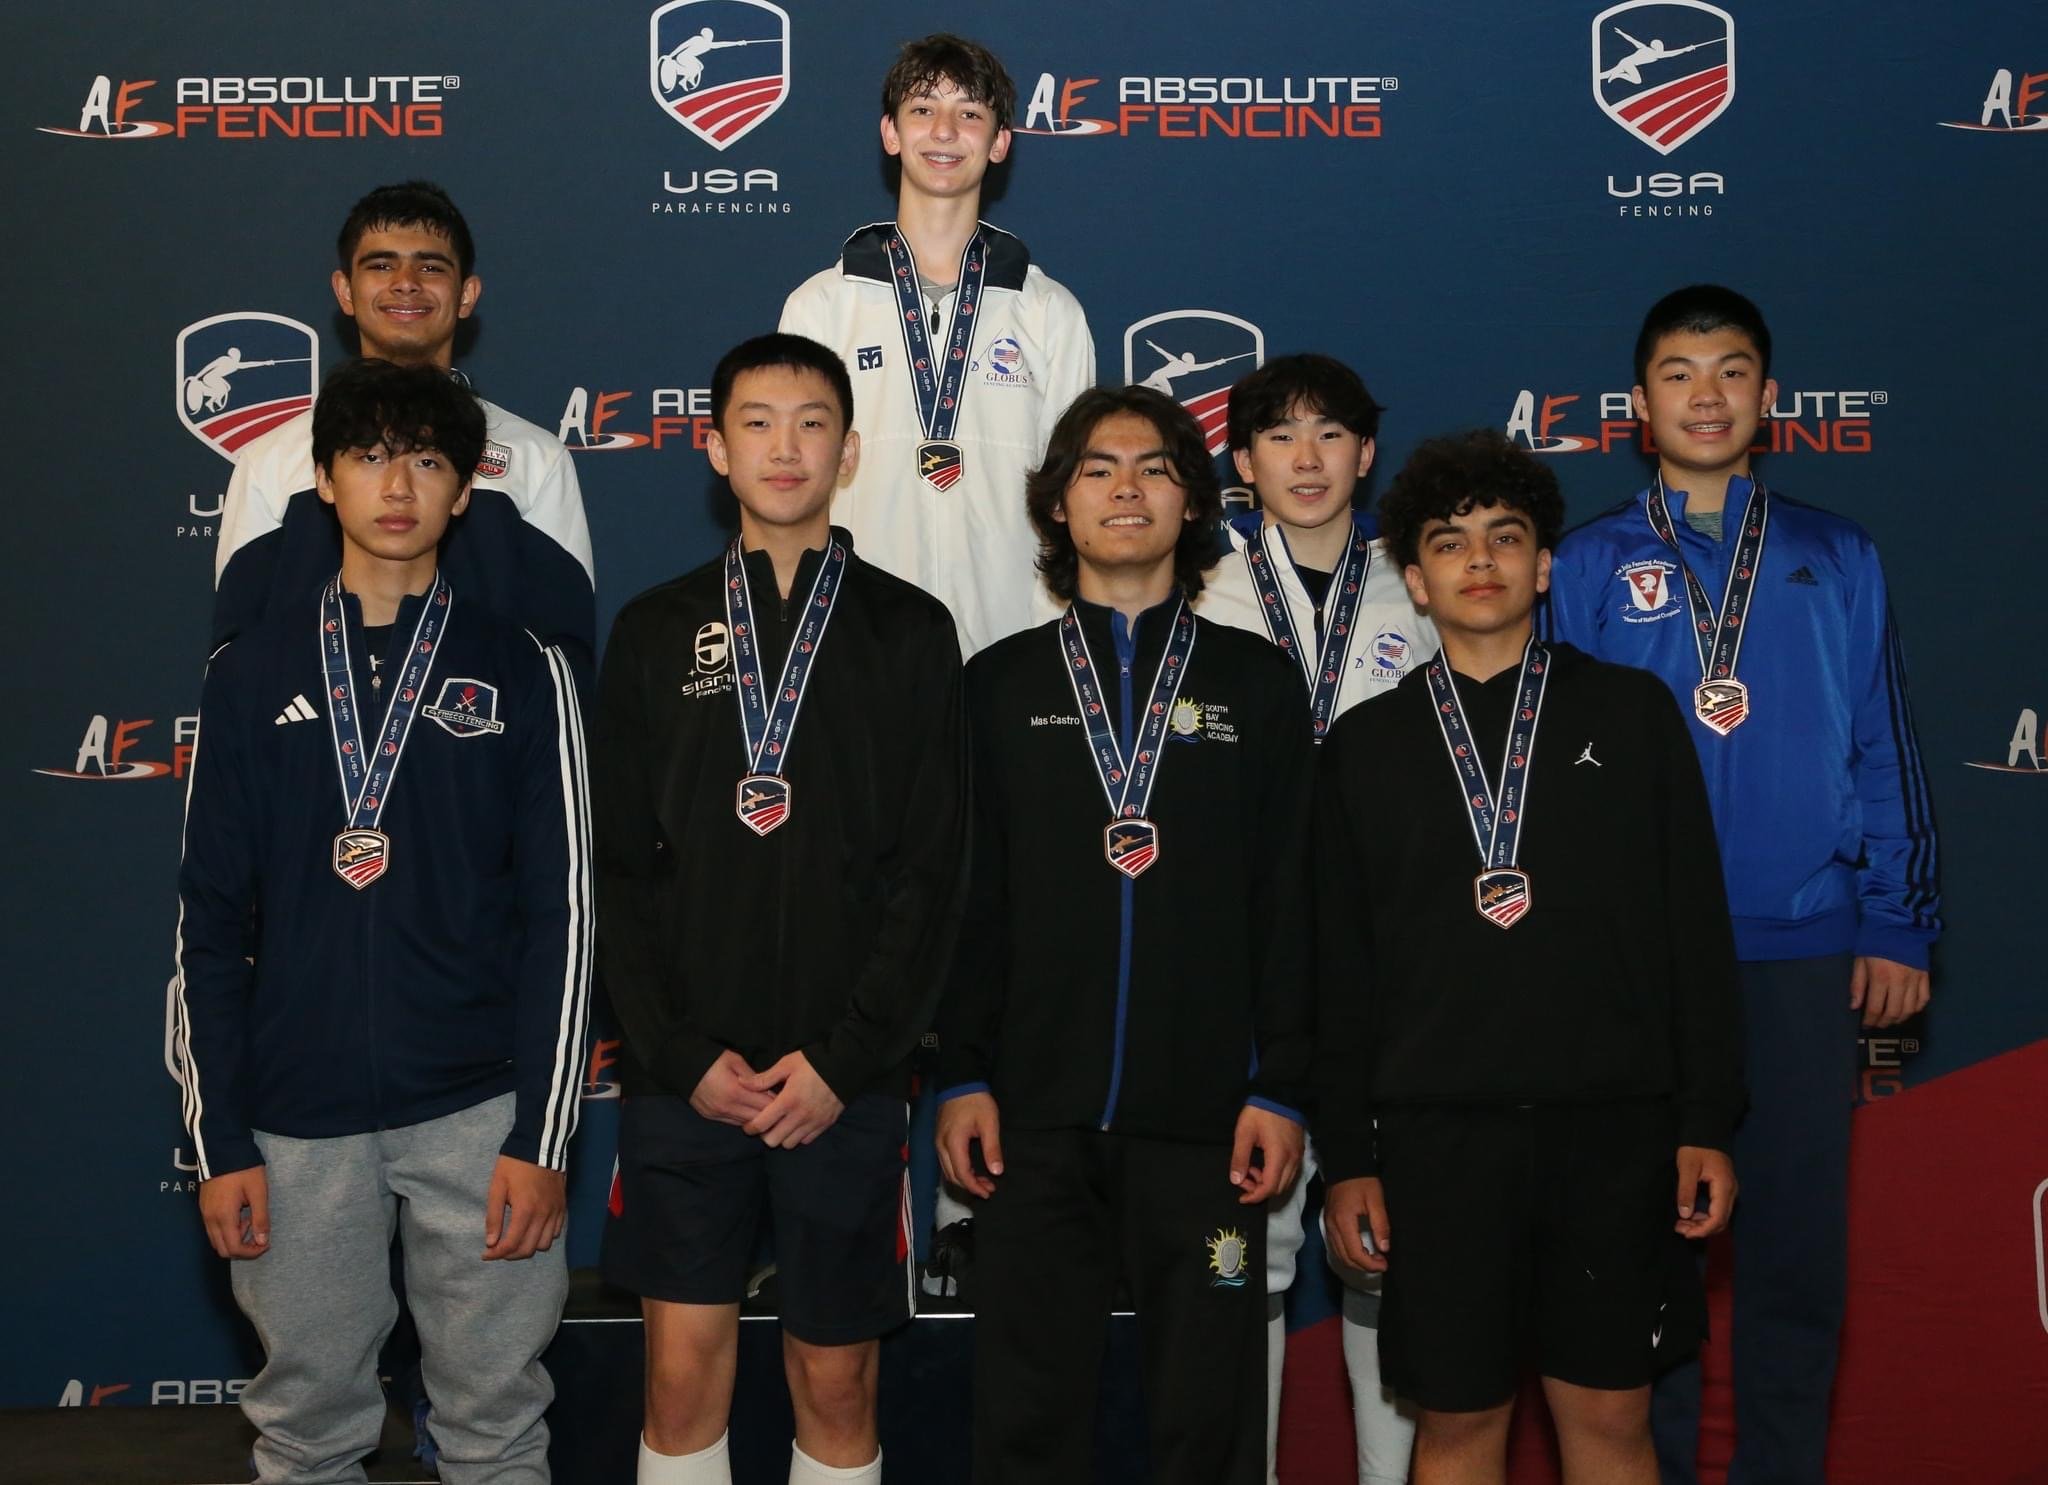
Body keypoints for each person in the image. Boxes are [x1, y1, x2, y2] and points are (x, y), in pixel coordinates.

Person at [1544, 286, 1939, 1485]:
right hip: (1644, 966)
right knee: (1648, 1253)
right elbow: (1554, 773)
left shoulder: (1836, 553)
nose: (1703, 394)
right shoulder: (1586, 562)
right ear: (1636, 407)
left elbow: (1881, 744)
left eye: (1727, 372)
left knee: (1792, 1259)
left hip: (1803, 943)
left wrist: (1896, 920)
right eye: (1676, 372)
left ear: (1769, 401)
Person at [173, 358, 592, 1484]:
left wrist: (540, 1139)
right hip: (291, 1120)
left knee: (496, 1428)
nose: (396, 482)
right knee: (306, 1437)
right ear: (321, 482)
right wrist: (220, 1140)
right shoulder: (244, 674)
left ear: (467, 492)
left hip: (478, 1109)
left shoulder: (524, 669)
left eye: (427, 458)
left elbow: (566, 915)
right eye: (367, 454)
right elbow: (206, 926)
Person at [1317, 429, 1743, 1485]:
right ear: (1411, 579)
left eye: (1504, 537)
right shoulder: (1363, 748)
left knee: (1606, 1425)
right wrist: (1350, 1156)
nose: (1479, 560)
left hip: (1612, 1131)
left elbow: (1692, 926)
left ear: (1543, 564)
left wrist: (1702, 1121)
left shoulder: (1631, 715)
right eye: (1449, 542)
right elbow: (1335, 971)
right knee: (1458, 1429)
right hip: (1435, 1141)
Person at [594, 333, 967, 1485]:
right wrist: (678, 1051)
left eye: (811, 423)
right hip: (684, 1080)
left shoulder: (909, 631)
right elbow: (616, 869)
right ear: (712, 449)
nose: (784, 446)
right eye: (755, 422)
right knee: (678, 1372)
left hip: (839, 1084)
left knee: (837, 1379)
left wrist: (847, 1060)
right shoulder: (654, 631)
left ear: (849, 454)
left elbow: (933, 873)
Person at [935, 385, 1313, 1484]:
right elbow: (967, 901)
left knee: (1212, 1423)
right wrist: (960, 1072)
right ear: (1056, 503)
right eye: (1096, 468)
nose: (1125, 489)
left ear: (1193, 500)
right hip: (1030, 1128)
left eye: (1152, 467)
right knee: (1026, 1421)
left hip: (1212, 1138)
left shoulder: (1256, 684)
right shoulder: (996, 686)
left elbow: (1293, 903)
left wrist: (1281, 1085)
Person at [1196, 353, 1431, 1484]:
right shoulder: (1200, 587)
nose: (1305, 458)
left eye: (1329, 434)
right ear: (1239, 462)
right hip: (1247, 964)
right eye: (1278, 438)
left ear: (1365, 452)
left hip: (1393, 962)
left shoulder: (1422, 584)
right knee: (1245, 1249)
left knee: (1381, 1240)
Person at [778, 33, 1094, 657]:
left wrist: (1046, 632)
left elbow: (1073, 495)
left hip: (1013, 644)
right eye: (923, 110)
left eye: (970, 114)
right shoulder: (820, 305)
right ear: (891, 134)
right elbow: (794, 487)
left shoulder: (1049, 312)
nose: (945, 131)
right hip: (857, 647)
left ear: (1000, 142)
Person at [214, 180, 595, 689]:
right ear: (345, 291)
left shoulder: (534, 458)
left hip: (478, 748)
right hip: (312, 754)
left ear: (467, 294)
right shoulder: (272, 459)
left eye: (431, 266)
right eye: (380, 265)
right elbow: (234, 660)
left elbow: (563, 661)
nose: (406, 282)